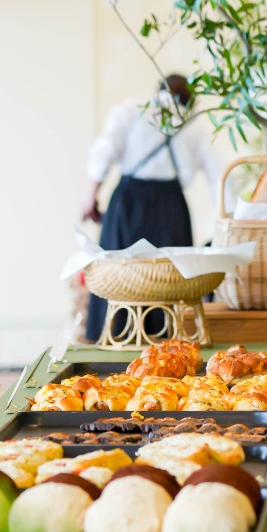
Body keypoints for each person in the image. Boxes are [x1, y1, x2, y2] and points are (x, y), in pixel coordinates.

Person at [81, 75, 221, 342]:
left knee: (120, 273)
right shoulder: (194, 125)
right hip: (171, 207)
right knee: (168, 275)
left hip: (128, 201)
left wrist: (90, 198)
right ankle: (166, 341)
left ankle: (116, 338)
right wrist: (223, 220)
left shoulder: (132, 110)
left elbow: (104, 151)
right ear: (190, 99)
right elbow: (219, 175)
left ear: (157, 90)